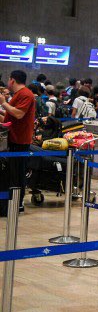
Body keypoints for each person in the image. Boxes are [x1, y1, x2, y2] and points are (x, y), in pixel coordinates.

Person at [0, 70, 36, 212]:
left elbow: (19, 114)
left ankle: (19, 202)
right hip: (13, 138)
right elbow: (10, 118)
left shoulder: (26, 94)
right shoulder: (18, 95)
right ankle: (12, 200)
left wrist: (3, 103)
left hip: (20, 140)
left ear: (12, 80)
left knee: (18, 173)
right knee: (12, 173)